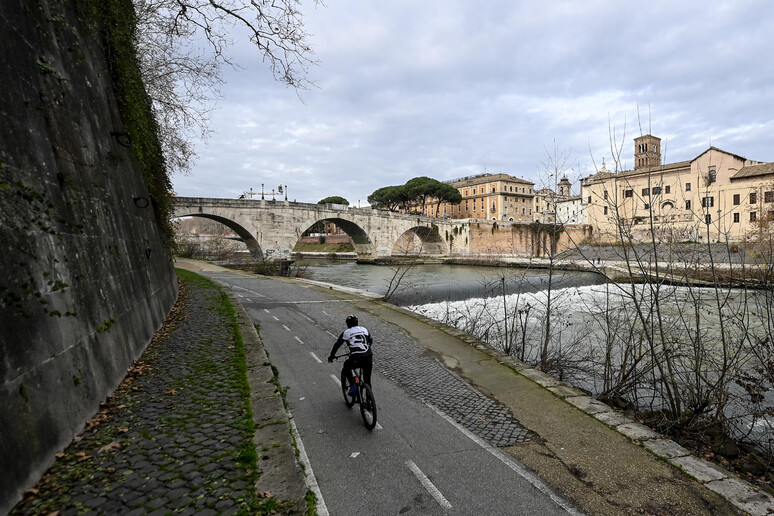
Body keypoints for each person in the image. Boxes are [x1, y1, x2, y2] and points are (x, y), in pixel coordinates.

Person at [328, 315, 373, 394]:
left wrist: (331, 356)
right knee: (367, 381)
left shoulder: (346, 332)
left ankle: (352, 385)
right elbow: (371, 340)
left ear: (348, 324)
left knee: (346, 365)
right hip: (368, 356)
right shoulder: (364, 329)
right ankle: (369, 401)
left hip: (356, 357)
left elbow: (337, 345)